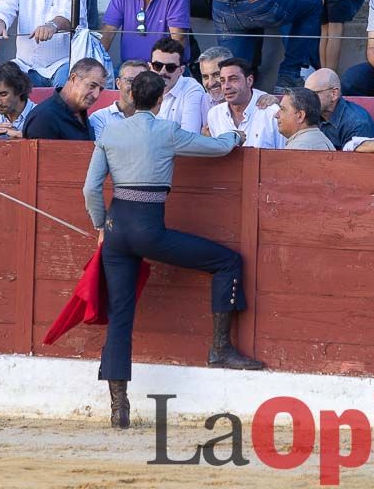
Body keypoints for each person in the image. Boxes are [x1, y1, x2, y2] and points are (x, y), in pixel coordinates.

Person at [86, 70, 260, 430]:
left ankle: (119, 408)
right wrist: (234, 135)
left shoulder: (109, 131)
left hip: (117, 229)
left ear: (131, 96)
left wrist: (101, 226)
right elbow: (217, 147)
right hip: (150, 229)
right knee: (227, 261)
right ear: (160, 100)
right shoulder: (165, 131)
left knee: (121, 316)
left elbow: (90, 189)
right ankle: (219, 349)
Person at [205, 57, 285, 148]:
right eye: (223, 81)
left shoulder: (272, 113)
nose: (226, 86)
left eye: (233, 79)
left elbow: (284, 155)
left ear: (249, 81)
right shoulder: (214, 114)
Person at [23, 56, 106, 139]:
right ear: (73, 78)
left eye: (100, 89)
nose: (96, 95)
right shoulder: (43, 118)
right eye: (92, 86)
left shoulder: (81, 114)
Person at [302, 68, 374, 149]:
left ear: (334, 94)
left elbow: (358, 160)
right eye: (305, 94)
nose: (307, 99)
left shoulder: (357, 123)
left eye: (313, 94)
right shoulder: (310, 114)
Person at [148, 36, 208, 135]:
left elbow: (189, 137)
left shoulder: (192, 89)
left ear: (181, 70)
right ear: (150, 67)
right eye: (157, 66)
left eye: (170, 67)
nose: (163, 72)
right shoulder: (143, 86)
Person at [89, 59, 144, 138]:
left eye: (142, 82)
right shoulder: (100, 118)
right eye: (130, 81)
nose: (136, 87)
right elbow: (99, 149)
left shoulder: (156, 119)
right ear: (118, 83)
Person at [276, 87, 334, 151]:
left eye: (282, 109)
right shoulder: (323, 140)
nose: (276, 115)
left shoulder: (298, 147)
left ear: (300, 116)